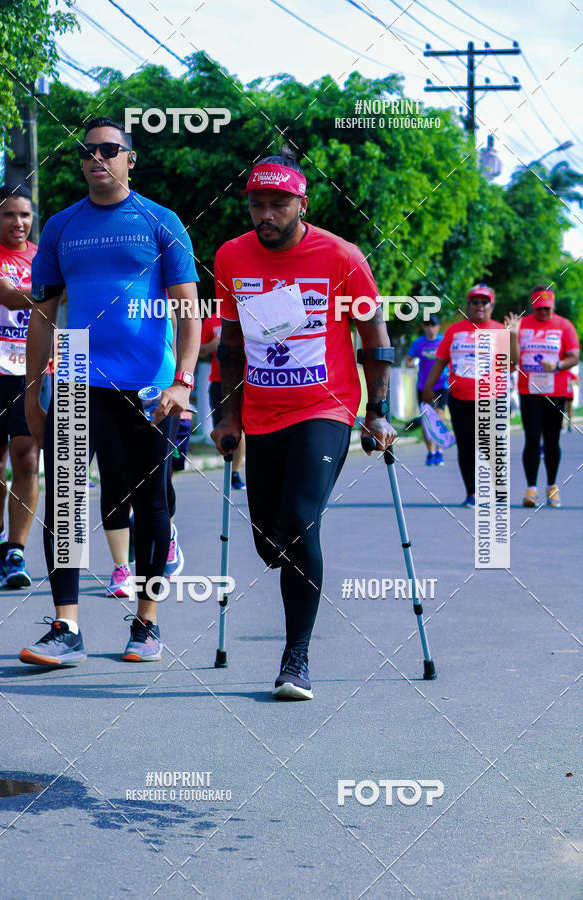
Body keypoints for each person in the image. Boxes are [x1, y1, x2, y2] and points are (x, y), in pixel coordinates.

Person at [211, 149, 396, 701]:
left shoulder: (341, 257)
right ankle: (289, 557)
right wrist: (227, 414)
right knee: (270, 540)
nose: (266, 215)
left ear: (302, 205)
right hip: (262, 414)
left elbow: (375, 338)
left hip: (325, 408)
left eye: (278, 204)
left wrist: (377, 411)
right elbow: (231, 343)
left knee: (297, 520)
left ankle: (296, 659)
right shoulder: (231, 256)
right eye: (257, 205)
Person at [20, 116, 201, 666]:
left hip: (149, 382)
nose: (97, 157)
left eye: (109, 149)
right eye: (88, 150)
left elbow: (188, 309)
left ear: (129, 159)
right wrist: (32, 391)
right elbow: (42, 316)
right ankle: (66, 626)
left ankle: (146, 623)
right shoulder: (60, 226)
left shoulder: (161, 220)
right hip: (77, 370)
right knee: (66, 500)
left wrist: (183, 380)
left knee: (151, 502)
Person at [0, 185, 41, 588]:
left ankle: (17, 552)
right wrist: (54, 291)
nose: (18, 222)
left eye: (24, 215)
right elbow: (9, 296)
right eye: (9, 214)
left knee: (27, 458)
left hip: (33, 373)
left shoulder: (42, 258)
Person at [423, 284, 504, 507]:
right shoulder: (454, 331)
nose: (479, 305)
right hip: (459, 398)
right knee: (466, 446)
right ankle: (472, 493)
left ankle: (498, 485)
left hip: (490, 398)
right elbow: (440, 360)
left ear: (491, 306)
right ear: (468, 305)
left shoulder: (499, 330)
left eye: (484, 301)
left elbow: (511, 363)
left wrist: (514, 336)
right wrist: (428, 387)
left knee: (490, 445)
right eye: (475, 301)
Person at [505, 286, 579, 508]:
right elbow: (512, 363)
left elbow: (574, 357)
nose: (543, 313)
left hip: (556, 392)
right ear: (533, 307)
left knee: (552, 440)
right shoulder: (522, 325)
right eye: (539, 309)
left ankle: (552, 486)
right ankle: (531, 489)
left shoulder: (564, 326)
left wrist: (557, 365)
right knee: (532, 438)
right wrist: (513, 335)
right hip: (530, 391)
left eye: (547, 308)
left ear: (553, 306)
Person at [200, 309, 246, 488]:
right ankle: (228, 465)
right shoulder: (211, 321)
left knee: (241, 428)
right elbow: (200, 350)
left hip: (242, 381)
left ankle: (235, 472)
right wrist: (212, 345)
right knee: (222, 427)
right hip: (218, 382)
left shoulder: (244, 316)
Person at [405, 315, 449, 465]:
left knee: (439, 416)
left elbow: (453, 357)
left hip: (441, 385)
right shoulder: (418, 343)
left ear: (438, 327)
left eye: (432, 325)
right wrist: (413, 363)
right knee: (426, 419)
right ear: (424, 327)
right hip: (424, 387)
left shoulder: (444, 341)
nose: (430, 328)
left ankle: (439, 450)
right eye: (427, 325)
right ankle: (431, 452)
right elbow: (408, 360)